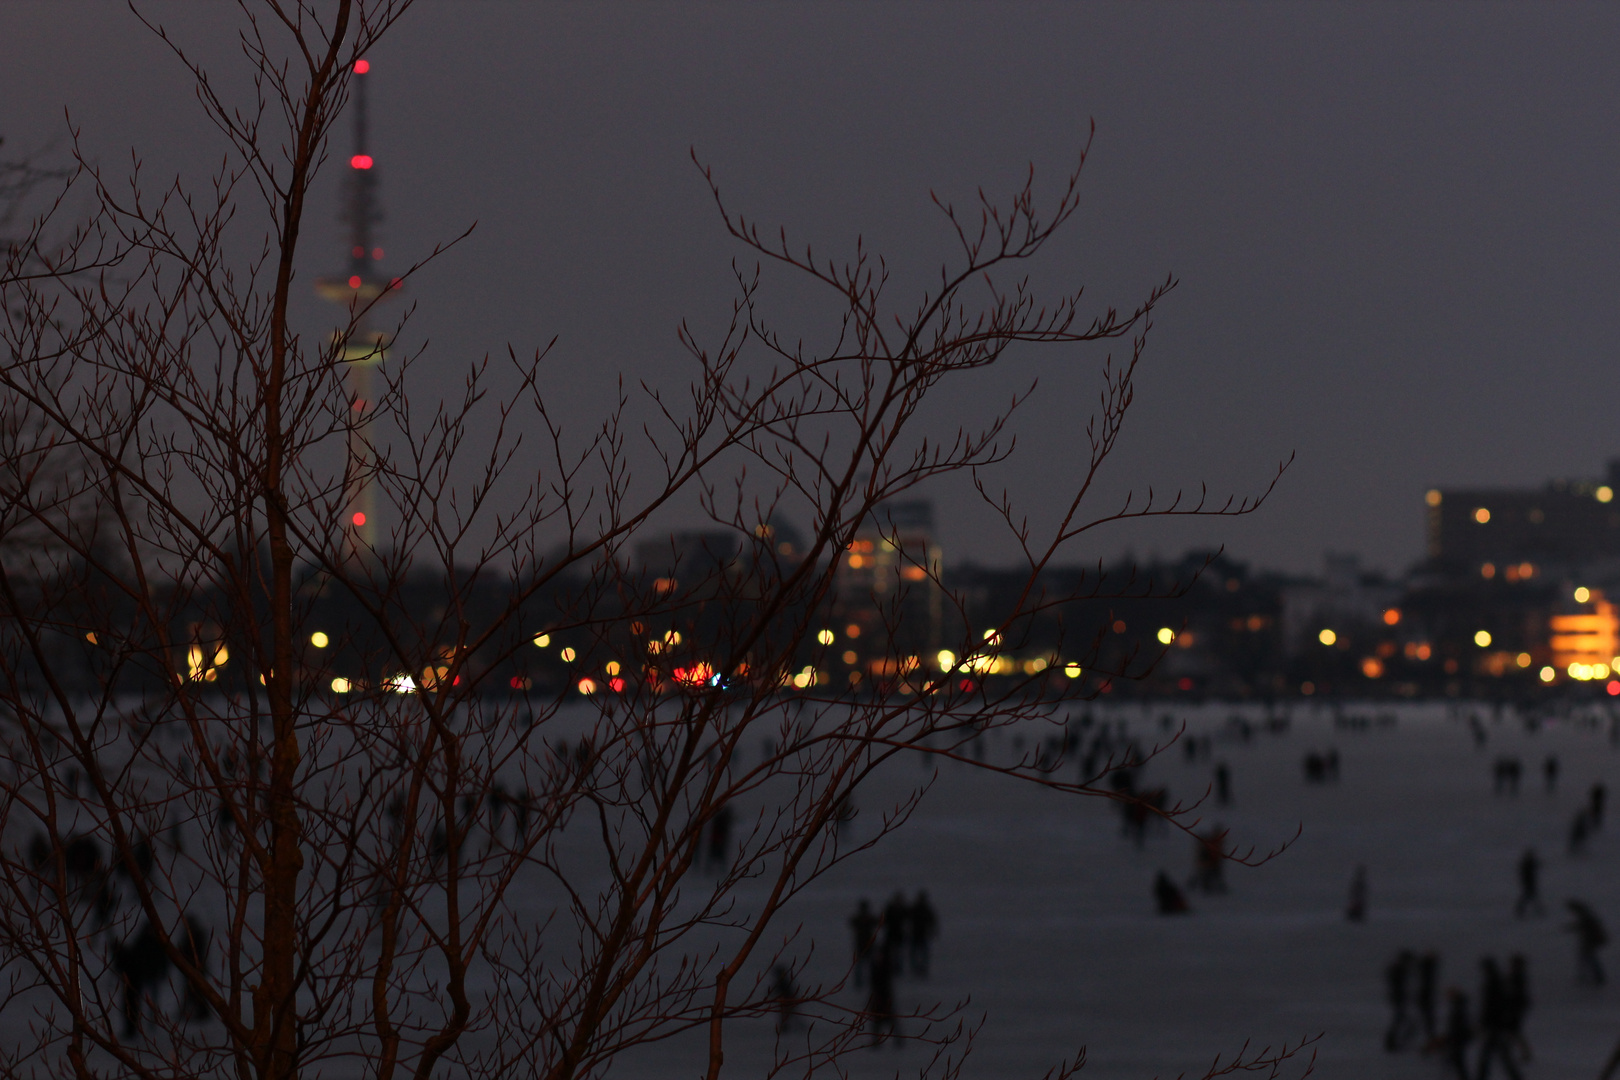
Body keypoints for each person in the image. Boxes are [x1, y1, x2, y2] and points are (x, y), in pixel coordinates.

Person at [1475, 957, 1523, 1079]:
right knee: (1500, 1054)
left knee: (1491, 1054)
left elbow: (1490, 1006)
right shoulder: (1499, 982)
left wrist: (1484, 1021)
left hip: (1495, 1025)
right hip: (1498, 1024)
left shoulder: (1492, 984)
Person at [1566, 899, 1609, 985]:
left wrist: (1570, 928)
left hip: (1590, 940)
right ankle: (1589, 976)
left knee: (1590, 958)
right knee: (1587, 957)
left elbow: (1583, 925)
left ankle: (1597, 977)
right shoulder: (1585, 913)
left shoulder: (1584, 915)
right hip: (1589, 939)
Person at [1383, 950, 1415, 1051]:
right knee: (1401, 1020)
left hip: (1398, 998)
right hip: (1398, 998)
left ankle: (1392, 1042)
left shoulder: (1396, 969)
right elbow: (1399, 985)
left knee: (1400, 1019)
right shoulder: (1399, 970)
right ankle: (1392, 1043)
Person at [1443, 987, 1473, 1079]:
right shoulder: (1461, 1008)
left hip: (1458, 1038)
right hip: (1459, 1038)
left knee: (1457, 1061)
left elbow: (1456, 1026)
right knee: (1457, 1061)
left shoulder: (1458, 1009)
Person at [850, 899, 880, 988]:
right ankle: (861, 981)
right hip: (864, 944)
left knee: (865, 965)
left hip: (865, 944)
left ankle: (862, 981)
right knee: (864, 965)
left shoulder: (864, 918)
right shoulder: (862, 918)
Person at [908, 891, 938, 977]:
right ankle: (918, 968)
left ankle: (920, 968)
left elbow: (932, 921)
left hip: (920, 933)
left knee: (920, 953)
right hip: (917, 933)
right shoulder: (921, 909)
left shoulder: (922, 909)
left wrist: (933, 931)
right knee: (918, 953)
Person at [1514, 849, 1542, 918]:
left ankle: (1538, 909)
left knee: (1530, 896)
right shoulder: (1527, 864)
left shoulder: (1526, 863)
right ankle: (1520, 909)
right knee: (1529, 896)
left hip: (1529, 882)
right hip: (1529, 882)